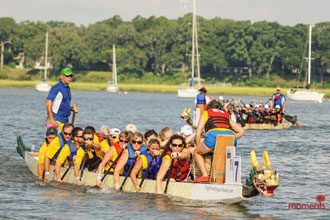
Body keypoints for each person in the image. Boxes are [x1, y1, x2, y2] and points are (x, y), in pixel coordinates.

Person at [193, 99, 245, 182]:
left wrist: (198, 145)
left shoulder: (206, 112)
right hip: (231, 137)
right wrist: (229, 139)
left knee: (196, 152)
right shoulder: (225, 114)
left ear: (209, 107)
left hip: (213, 137)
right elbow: (241, 131)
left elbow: (198, 132)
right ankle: (226, 178)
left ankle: (205, 175)